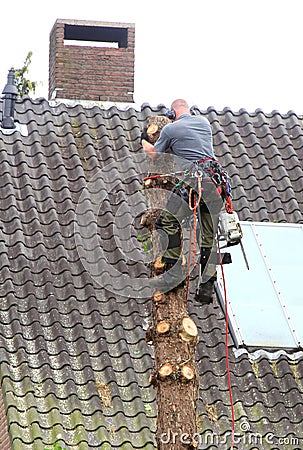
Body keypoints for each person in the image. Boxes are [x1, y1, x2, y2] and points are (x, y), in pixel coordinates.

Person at [142, 99, 227, 304]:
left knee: (167, 221)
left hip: (193, 181)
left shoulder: (171, 129)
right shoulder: (205, 123)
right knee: (208, 235)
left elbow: (154, 155)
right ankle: (207, 285)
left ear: (172, 113)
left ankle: (173, 275)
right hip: (215, 182)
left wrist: (145, 140)